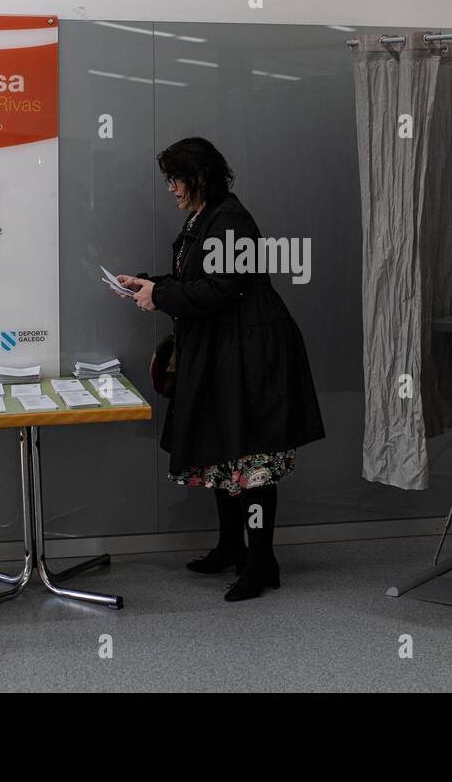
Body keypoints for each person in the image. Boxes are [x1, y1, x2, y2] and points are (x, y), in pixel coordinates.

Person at [116, 136, 324, 602]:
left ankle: (262, 562)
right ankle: (232, 547)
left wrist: (161, 296)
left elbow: (222, 288)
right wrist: (151, 284)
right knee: (221, 454)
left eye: (175, 178)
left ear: (200, 176)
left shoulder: (230, 220)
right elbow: (199, 280)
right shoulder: (205, 215)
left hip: (250, 356)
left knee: (250, 461)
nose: (170, 187)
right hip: (226, 352)